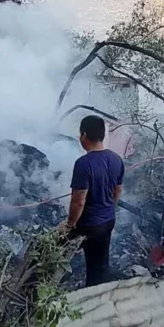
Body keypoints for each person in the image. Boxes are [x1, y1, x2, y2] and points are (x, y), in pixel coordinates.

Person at [60, 115, 125, 287]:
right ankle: (98, 293)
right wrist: (109, 208)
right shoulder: (116, 159)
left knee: (55, 250)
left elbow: (78, 201)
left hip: (87, 225)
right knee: (99, 266)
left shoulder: (83, 164)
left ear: (84, 135)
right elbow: (117, 191)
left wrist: (69, 224)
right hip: (108, 221)